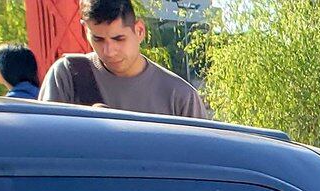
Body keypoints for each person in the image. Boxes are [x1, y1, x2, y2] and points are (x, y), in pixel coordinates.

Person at [39, 0, 211, 119]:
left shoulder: (181, 97)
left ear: (139, 31)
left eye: (118, 39)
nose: (109, 51)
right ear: (86, 31)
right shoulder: (69, 76)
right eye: (98, 39)